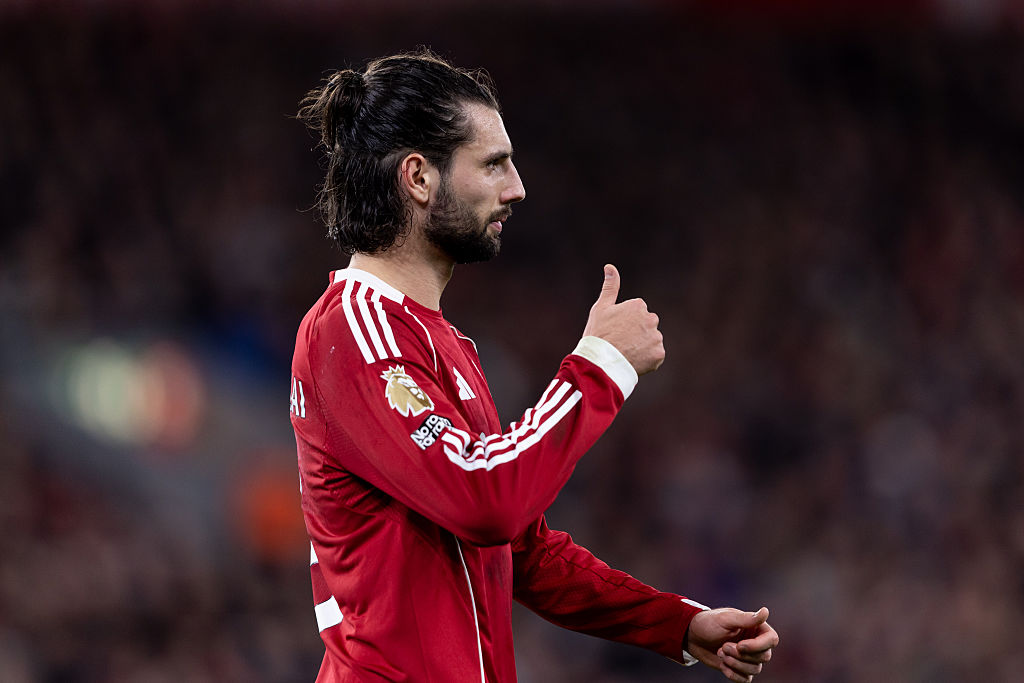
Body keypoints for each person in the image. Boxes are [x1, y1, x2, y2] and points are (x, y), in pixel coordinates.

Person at [289, 50, 778, 683]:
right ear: (418, 177)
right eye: (493, 164)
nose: (516, 187)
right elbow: (485, 501)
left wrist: (676, 624)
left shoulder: (439, 342)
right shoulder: (354, 331)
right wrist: (601, 366)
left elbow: (520, 547)